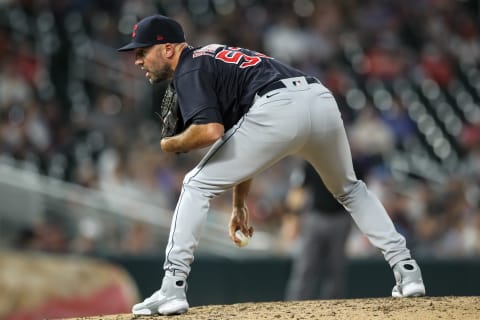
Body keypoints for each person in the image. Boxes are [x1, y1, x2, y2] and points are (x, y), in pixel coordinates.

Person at [117, 14, 426, 316]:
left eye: (143, 52)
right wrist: (239, 203)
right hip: (318, 98)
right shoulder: (212, 56)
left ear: (168, 49)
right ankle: (407, 271)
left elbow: (211, 132)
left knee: (195, 185)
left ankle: (172, 287)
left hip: (277, 108)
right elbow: (241, 136)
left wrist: (170, 144)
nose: (137, 60)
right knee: (350, 189)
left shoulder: (188, 68)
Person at [284, 162, 353, 300]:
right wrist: (291, 221)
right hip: (315, 217)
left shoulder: (350, 162)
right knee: (305, 266)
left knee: (336, 267)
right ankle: (295, 307)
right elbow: (298, 190)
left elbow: (359, 193)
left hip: (340, 218)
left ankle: (334, 310)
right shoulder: (311, 162)